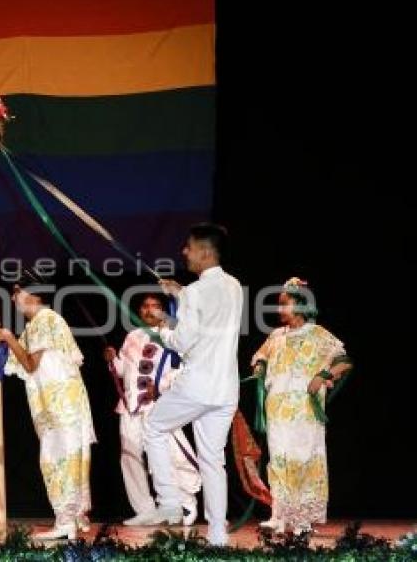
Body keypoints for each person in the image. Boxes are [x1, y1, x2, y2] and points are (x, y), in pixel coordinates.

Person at [140, 223, 243, 547]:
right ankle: (216, 535)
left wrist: (164, 327)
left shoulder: (196, 292)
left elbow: (182, 342)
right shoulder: (234, 286)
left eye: (188, 247)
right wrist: (180, 294)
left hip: (197, 385)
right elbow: (206, 317)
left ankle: (169, 501)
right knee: (213, 460)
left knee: (153, 427)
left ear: (204, 251)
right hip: (225, 389)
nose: (184, 252)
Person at [252, 277, 351, 535]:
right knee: (279, 459)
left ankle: (303, 518)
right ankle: (280, 515)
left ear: (301, 304)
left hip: (305, 410)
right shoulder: (276, 336)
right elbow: (261, 356)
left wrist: (323, 377)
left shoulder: (318, 335)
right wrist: (260, 366)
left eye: (284, 303)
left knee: (304, 458)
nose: (279, 309)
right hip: (277, 409)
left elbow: (344, 361)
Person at [0, 280, 96, 540]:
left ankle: (66, 521)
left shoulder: (46, 319)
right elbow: (21, 362)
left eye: (18, 293)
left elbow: (29, 364)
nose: (14, 298)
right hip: (56, 403)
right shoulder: (36, 325)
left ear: (33, 295)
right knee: (62, 457)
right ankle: (72, 518)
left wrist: (8, 337)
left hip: (61, 403)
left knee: (58, 459)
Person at [103, 293, 201, 527]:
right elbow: (124, 372)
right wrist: (113, 360)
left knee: (170, 453)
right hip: (130, 406)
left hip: (159, 405)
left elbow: (185, 368)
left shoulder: (173, 336)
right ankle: (145, 509)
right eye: (145, 306)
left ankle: (185, 502)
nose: (149, 310)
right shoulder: (132, 336)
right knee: (131, 456)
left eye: (155, 306)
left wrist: (161, 387)